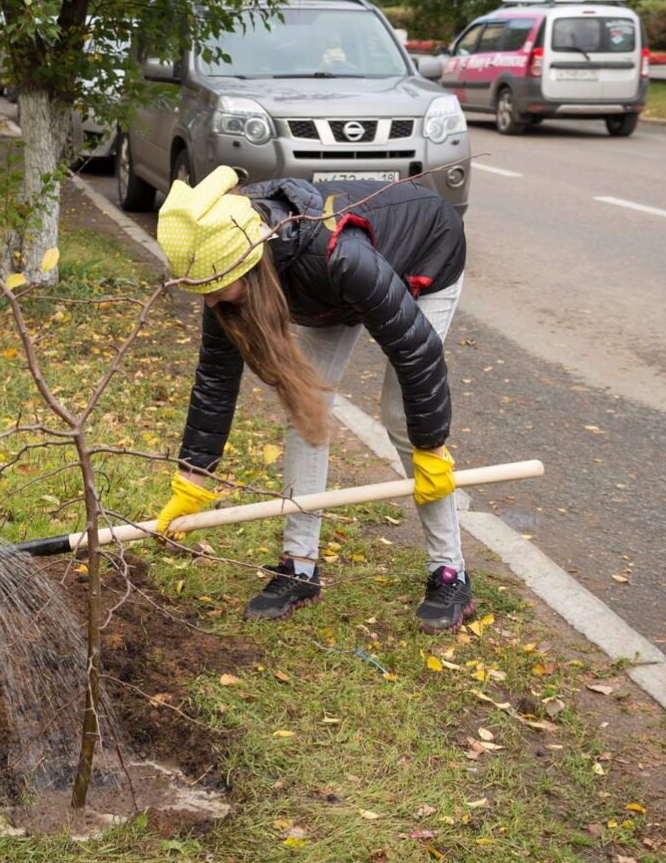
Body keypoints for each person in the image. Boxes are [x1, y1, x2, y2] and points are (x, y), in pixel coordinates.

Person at [152, 167, 469, 633]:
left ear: (249, 267)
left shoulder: (338, 255)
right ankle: (300, 566)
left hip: (427, 251)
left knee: (403, 417)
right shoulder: (227, 259)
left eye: (216, 289)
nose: (212, 302)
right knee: (305, 406)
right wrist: (192, 479)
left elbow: (415, 350)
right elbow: (216, 377)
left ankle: (450, 572)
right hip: (327, 291)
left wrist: (432, 446)